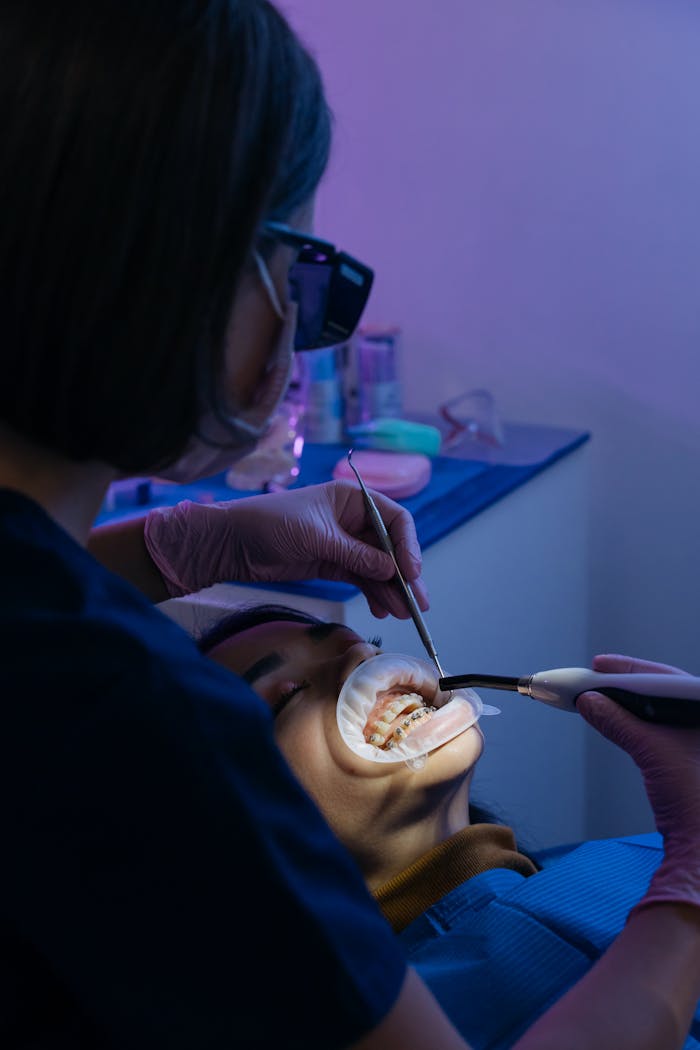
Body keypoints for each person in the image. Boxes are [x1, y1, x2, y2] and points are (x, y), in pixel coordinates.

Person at [1, 1, 698, 1047]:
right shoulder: (131, 726)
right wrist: (688, 890)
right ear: (170, 267)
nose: (303, 325)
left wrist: (186, 544)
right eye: (297, 274)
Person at [199, 602, 700, 1049]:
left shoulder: (647, 857)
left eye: (366, 645)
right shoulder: (390, 1026)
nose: (360, 659)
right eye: (285, 698)